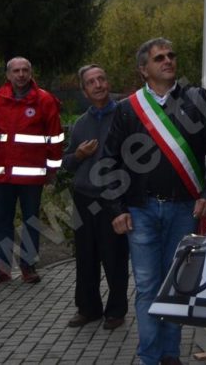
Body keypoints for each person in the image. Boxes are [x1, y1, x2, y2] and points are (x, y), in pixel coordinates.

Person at [105, 38, 206, 365]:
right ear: (144, 69)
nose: (168, 61)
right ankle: (148, 356)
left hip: (185, 208)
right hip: (141, 210)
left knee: (176, 288)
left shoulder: (197, 100)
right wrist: (116, 209)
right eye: (159, 58)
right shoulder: (128, 108)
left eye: (171, 55)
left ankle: (170, 355)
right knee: (146, 286)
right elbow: (110, 161)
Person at [62, 64, 128, 330]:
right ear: (85, 91)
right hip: (84, 197)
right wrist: (78, 156)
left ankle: (116, 310)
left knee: (114, 257)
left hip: (114, 198)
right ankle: (88, 308)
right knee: (86, 256)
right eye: (92, 82)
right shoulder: (81, 123)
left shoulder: (125, 115)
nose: (98, 84)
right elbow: (65, 162)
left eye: (102, 78)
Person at [0, 56, 63, 285]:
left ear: (30, 73)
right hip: (4, 175)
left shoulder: (44, 100)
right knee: (2, 222)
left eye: (25, 70)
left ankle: (28, 266)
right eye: (16, 71)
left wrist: (52, 169)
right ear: (8, 75)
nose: (21, 74)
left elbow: (55, 137)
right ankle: (2, 268)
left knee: (30, 221)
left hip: (32, 175)